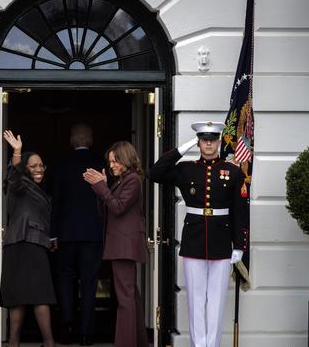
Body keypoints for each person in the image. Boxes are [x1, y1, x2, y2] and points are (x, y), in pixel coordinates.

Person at [147, 121, 249, 347]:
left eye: (212, 139)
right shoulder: (186, 168)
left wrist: (239, 246)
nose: (209, 144)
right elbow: (155, 172)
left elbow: (240, 211)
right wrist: (185, 146)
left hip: (222, 242)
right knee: (195, 300)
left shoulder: (232, 171)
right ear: (199, 142)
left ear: (219, 141)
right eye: (204, 139)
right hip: (193, 240)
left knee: (216, 301)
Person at [83, 141, 149, 347]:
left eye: (115, 161)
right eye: (110, 161)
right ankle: (138, 341)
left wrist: (101, 187)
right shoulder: (122, 181)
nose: (111, 165)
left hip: (124, 246)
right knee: (130, 295)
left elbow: (118, 207)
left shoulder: (133, 181)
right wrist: (102, 187)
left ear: (125, 159)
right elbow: (106, 210)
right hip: (121, 245)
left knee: (125, 298)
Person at [0, 130, 56, 347]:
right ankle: (23, 342)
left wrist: (50, 237)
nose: (39, 169)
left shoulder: (42, 191)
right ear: (24, 168)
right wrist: (17, 153)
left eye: (41, 165)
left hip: (35, 243)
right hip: (22, 243)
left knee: (33, 296)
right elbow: (13, 176)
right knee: (25, 297)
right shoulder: (18, 185)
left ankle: (43, 342)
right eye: (33, 165)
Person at [51, 123, 105, 346]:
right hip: (93, 233)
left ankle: (67, 328)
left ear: (72, 141)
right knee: (89, 283)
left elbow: (55, 201)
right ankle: (86, 334)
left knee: (65, 280)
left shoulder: (61, 165)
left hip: (65, 233)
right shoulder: (101, 163)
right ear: (90, 140)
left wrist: (53, 234)